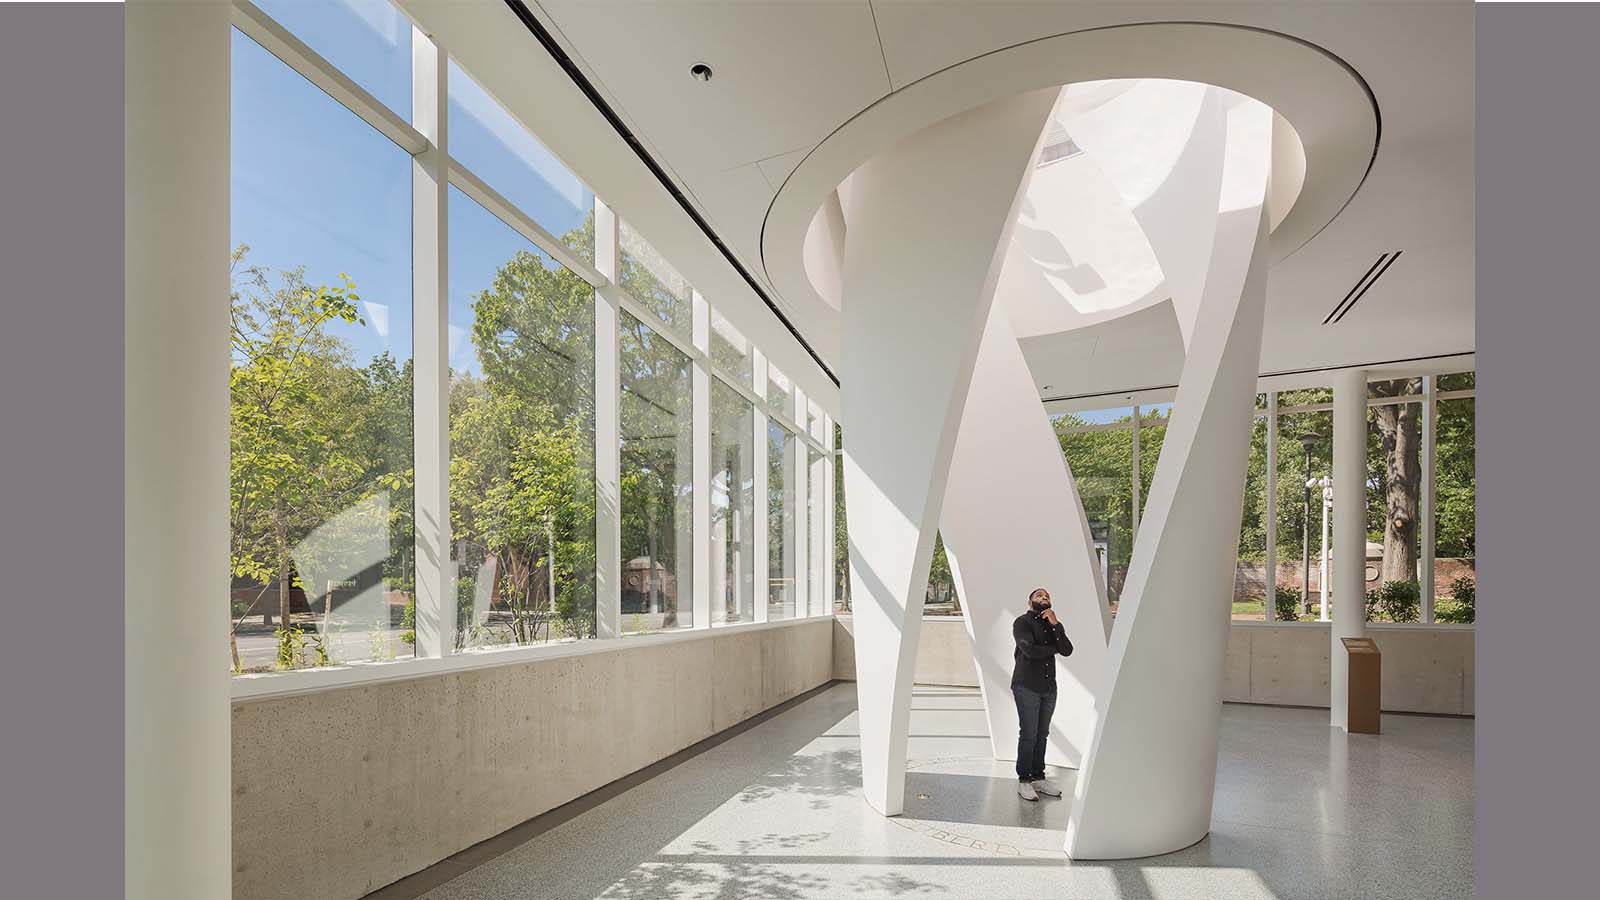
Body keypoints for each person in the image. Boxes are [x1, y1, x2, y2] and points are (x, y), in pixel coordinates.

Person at [1013, 587, 1073, 801]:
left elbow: (1067, 649)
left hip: (1049, 688)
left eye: (1047, 596)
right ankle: (1024, 780)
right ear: (1030, 602)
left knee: (1042, 734)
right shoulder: (1022, 622)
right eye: (1039, 595)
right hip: (1026, 685)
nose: (1044, 597)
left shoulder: (1054, 625)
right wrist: (1053, 648)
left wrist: (1055, 625)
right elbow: (1028, 649)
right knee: (1028, 734)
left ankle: (1038, 777)